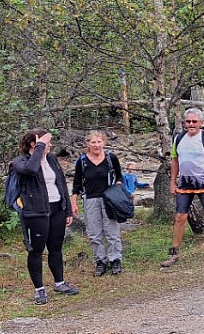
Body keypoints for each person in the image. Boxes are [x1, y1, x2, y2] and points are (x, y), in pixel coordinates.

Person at [11, 128, 79, 305]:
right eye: (46, 142)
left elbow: (61, 183)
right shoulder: (20, 162)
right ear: (34, 144)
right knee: (36, 250)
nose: (50, 145)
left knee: (55, 248)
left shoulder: (52, 159)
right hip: (35, 212)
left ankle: (60, 283)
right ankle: (39, 290)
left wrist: (68, 210)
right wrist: (39, 147)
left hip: (57, 208)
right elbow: (31, 170)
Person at [162, 108, 204, 267]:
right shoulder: (178, 139)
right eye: (188, 121)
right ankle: (174, 252)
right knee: (180, 217)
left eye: (194, 121)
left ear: (201, 123)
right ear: (184, 123)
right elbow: (175, 161)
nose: (191, 124)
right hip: (184, 184)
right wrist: (172, 182)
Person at [72, 131, 125, 277]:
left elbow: (119, 176)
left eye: (99, 142)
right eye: (93, 142)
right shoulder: (81, 161)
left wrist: (119, 186)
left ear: (104, 143)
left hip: (109, 199)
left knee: (112, 231)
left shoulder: (111, 158)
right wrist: (74, 202)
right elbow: (76, 184)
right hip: (90, 199)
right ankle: (100, 261)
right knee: (94, 233)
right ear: (88, 144)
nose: (96, 145)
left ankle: (115, 260)